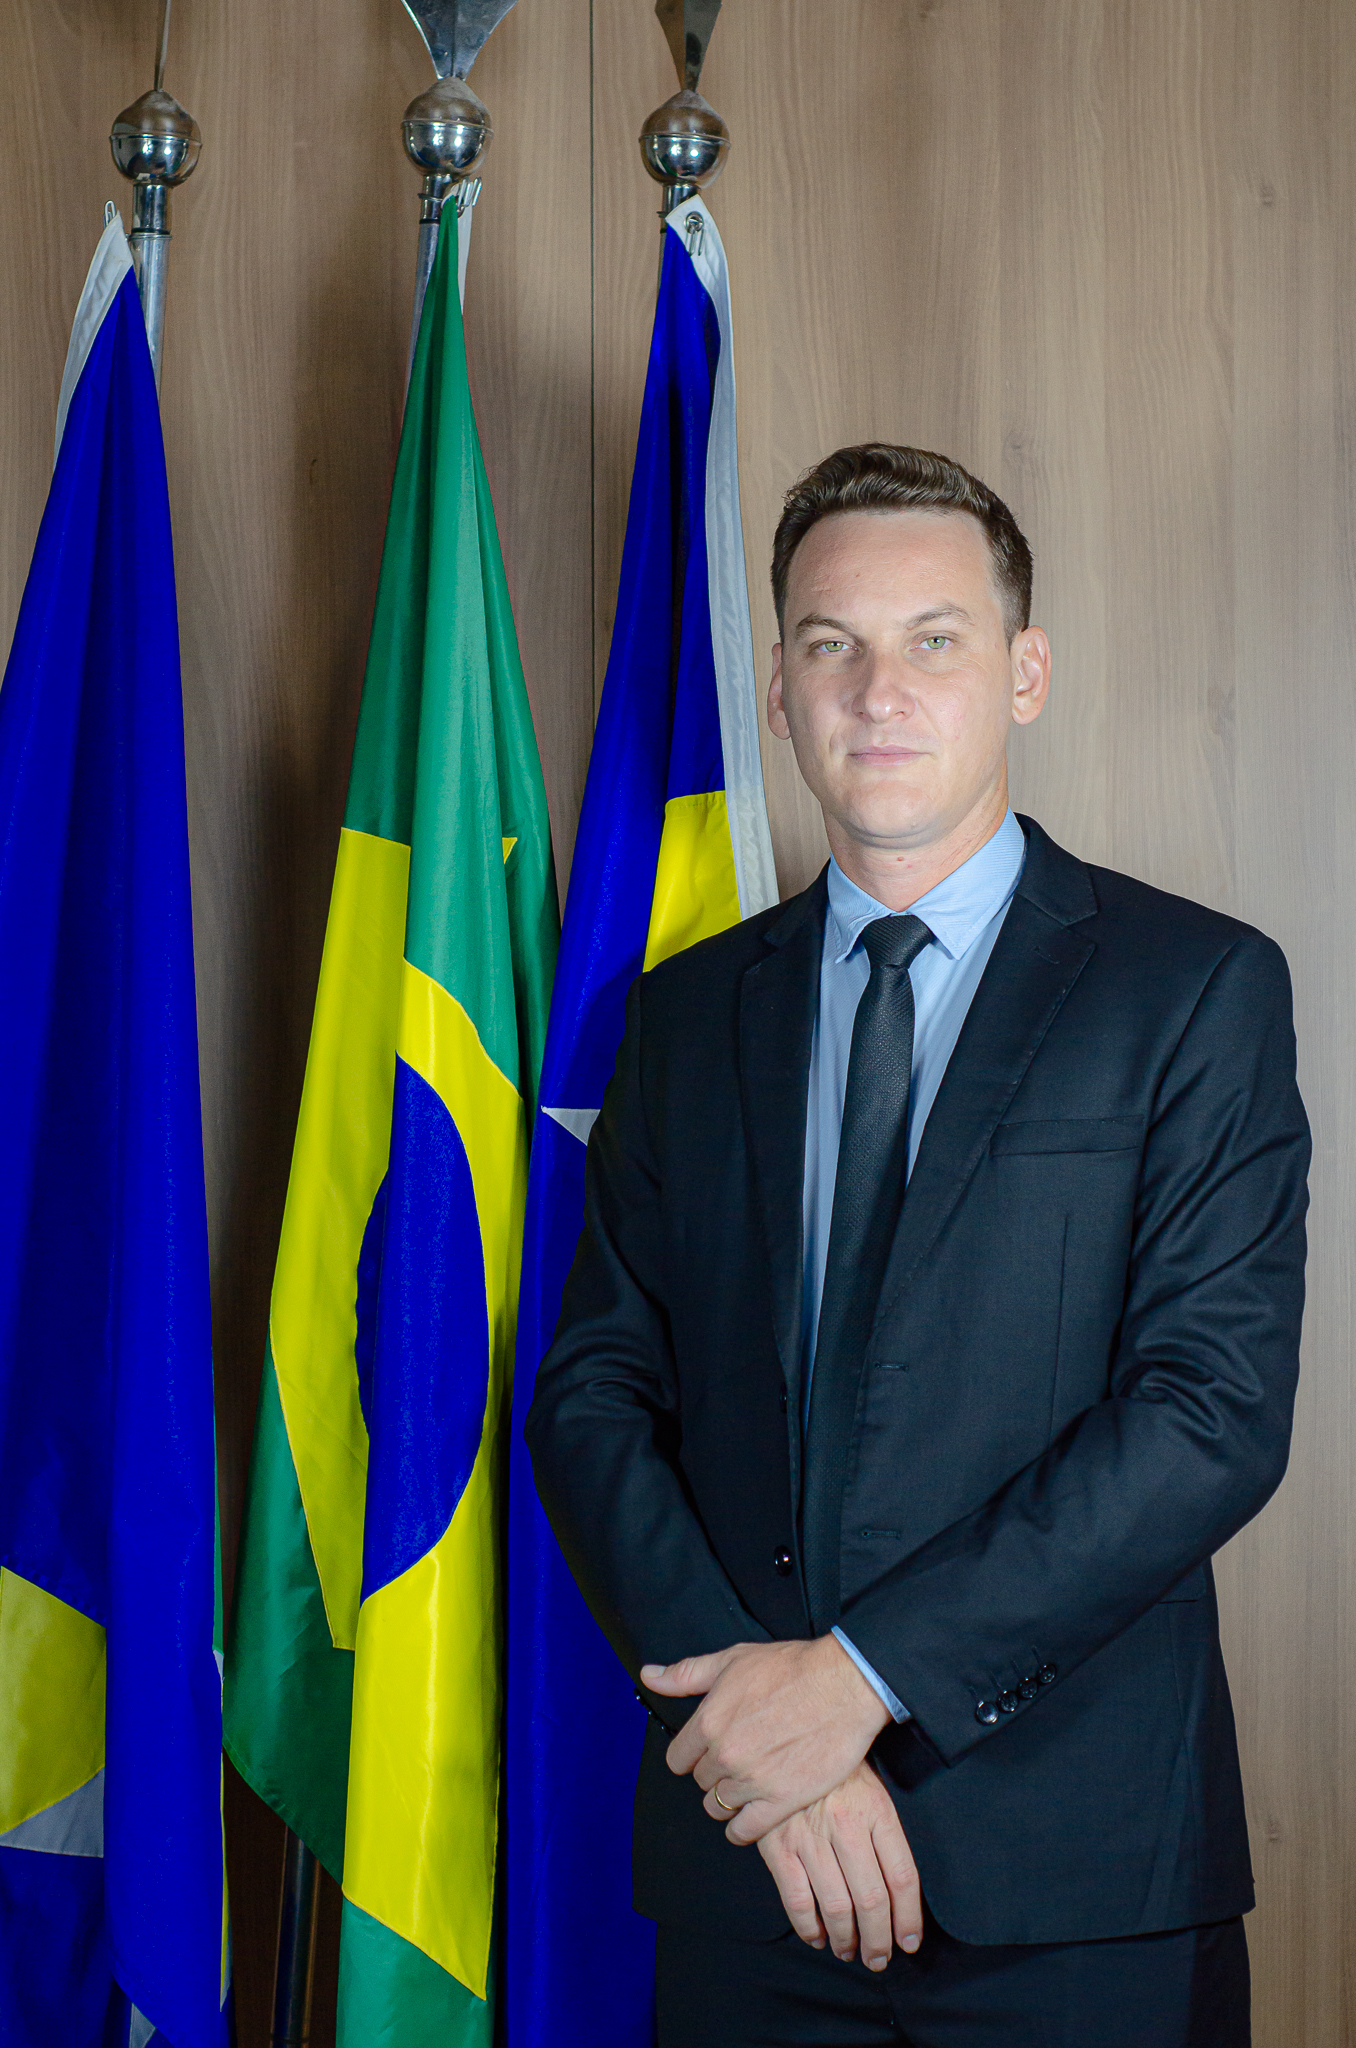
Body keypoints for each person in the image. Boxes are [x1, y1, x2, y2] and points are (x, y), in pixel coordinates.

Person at [525, 443, 1309, 2046]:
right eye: (832, 644)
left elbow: (1209, 1414)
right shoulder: (680, 1019)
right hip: (751, 1865)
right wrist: (766, 1738)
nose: (879, 692)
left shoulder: (1193, 990)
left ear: (1024, 673)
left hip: (1078, 1890)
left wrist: (860, 1682)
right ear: (778, 691)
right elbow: (593, 1398)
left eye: (934, 640)